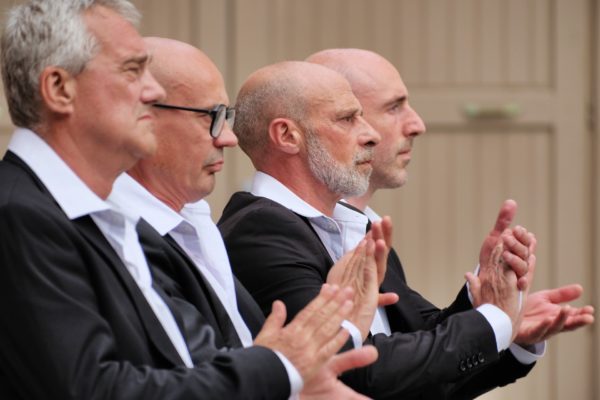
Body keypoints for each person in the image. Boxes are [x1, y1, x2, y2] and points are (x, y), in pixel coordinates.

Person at [0, 1, 368, 398]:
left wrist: (294, 376)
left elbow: (177, 365)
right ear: (59, 89)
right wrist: (276, 367)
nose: (153, 91)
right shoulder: (19, 216)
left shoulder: (91, 215)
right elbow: (95, 390)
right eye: (132, 70)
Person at [217, 60, 536, 399]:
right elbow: (356, 370)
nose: (370, 135)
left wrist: (488, 302)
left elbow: (421, 360)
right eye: (347, 119)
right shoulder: (259, 233)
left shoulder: (354, 226)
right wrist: (493, 321)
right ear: (287, 136)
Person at [109, 36, 389, 399]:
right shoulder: (121, 234)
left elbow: (246, 362)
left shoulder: (194, 222)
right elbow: (202, 377)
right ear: (142, 114)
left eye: (225, 116)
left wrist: (339, 323)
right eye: (211, 116)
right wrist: (317, 341)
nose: (228, 138)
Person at [307, 45, 595, 381]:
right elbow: (367, 374)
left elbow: (420, 363)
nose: (417, 124)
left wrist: (500, 320)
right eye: (394, 107)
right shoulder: (283, 233)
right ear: (344, 118)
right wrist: (493, 322)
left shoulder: (367, 228)